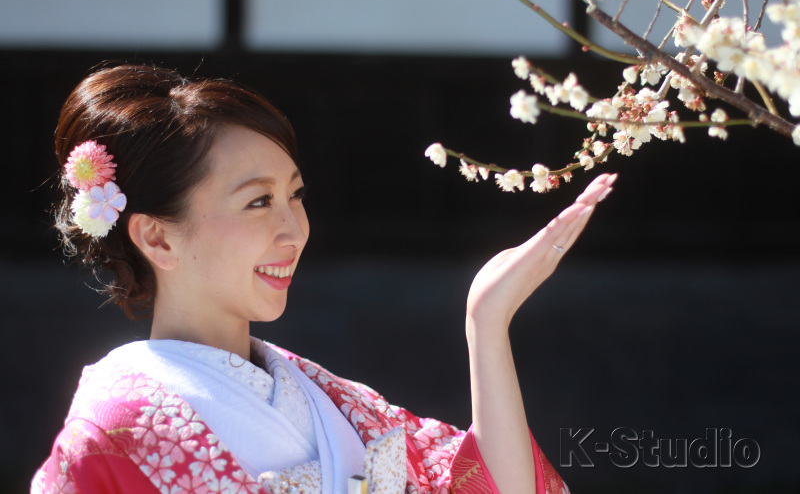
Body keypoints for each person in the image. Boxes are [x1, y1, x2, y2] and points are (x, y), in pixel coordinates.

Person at [32, 64, 615, 494]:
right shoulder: (113, 435)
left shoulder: (327, 399)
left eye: (295, 195)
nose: (294, 230)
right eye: (258, 202)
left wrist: (486, 322)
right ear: (157, 237)